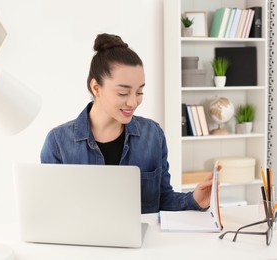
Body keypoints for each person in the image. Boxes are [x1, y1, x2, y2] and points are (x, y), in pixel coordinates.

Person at [40, 33, 213, 214]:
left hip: (143, 241)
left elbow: (163, 199)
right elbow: (51, 211)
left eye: (139, 92)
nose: (133, 102)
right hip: (82, 242)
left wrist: (194, 199)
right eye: (123, 93)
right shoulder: (58, 142)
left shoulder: (153, 135)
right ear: (96, 88)